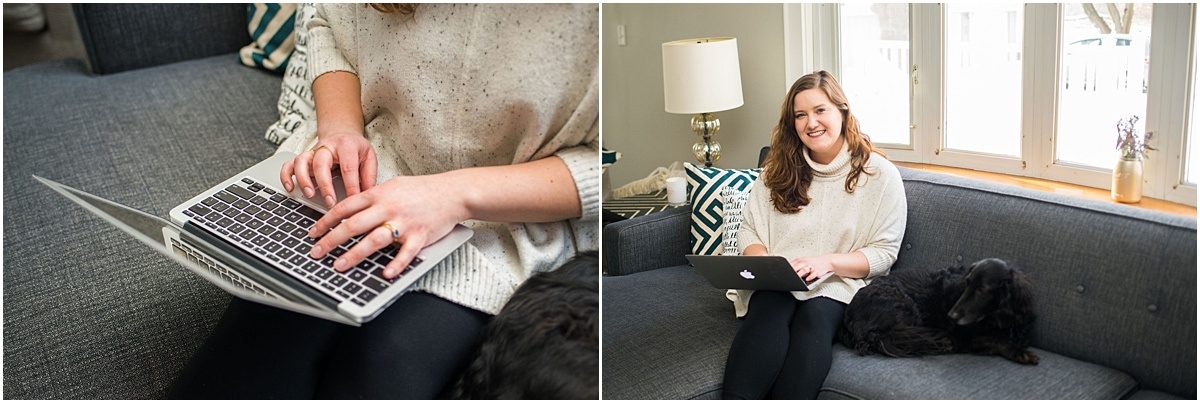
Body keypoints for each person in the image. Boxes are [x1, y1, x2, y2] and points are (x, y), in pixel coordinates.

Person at [168, 4, 598, 399]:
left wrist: (453, 195)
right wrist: (340, 127)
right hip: (365, 185)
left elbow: (610, 165)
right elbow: (326, 24)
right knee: (257, 350)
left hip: (501, 226)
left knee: (380, 364)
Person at [721, 70, 907, 399]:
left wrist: (828, 264)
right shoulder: (777, 170)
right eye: (800, 115)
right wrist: (765, 264)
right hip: (779, 278)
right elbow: (749, 228)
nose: (811, 123)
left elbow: (884, 252)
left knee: (815, 317)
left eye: (820, 110)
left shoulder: (880, 175)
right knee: (768, 311)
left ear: (842, 111)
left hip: (837, 283)